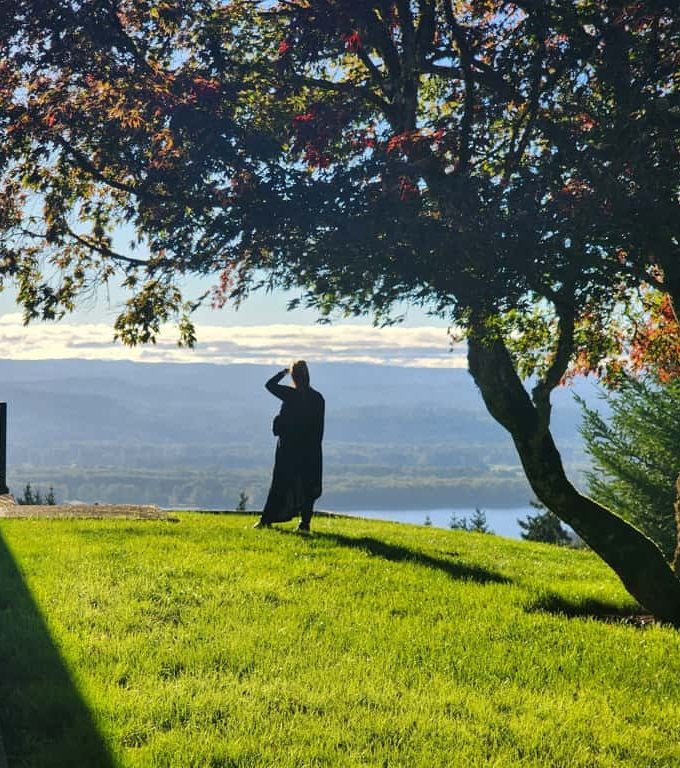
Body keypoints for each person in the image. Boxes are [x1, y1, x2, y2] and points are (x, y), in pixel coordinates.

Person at [255, 361, 325, 533]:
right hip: (309, 450)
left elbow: (269, 385)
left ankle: (266, 520)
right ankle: (304, 523)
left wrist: (283, 372)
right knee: (307, 485)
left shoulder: (291, 395)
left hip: (288, 449)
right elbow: (318, 428)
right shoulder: (317, 398)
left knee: (280, 482)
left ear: (294, 377)